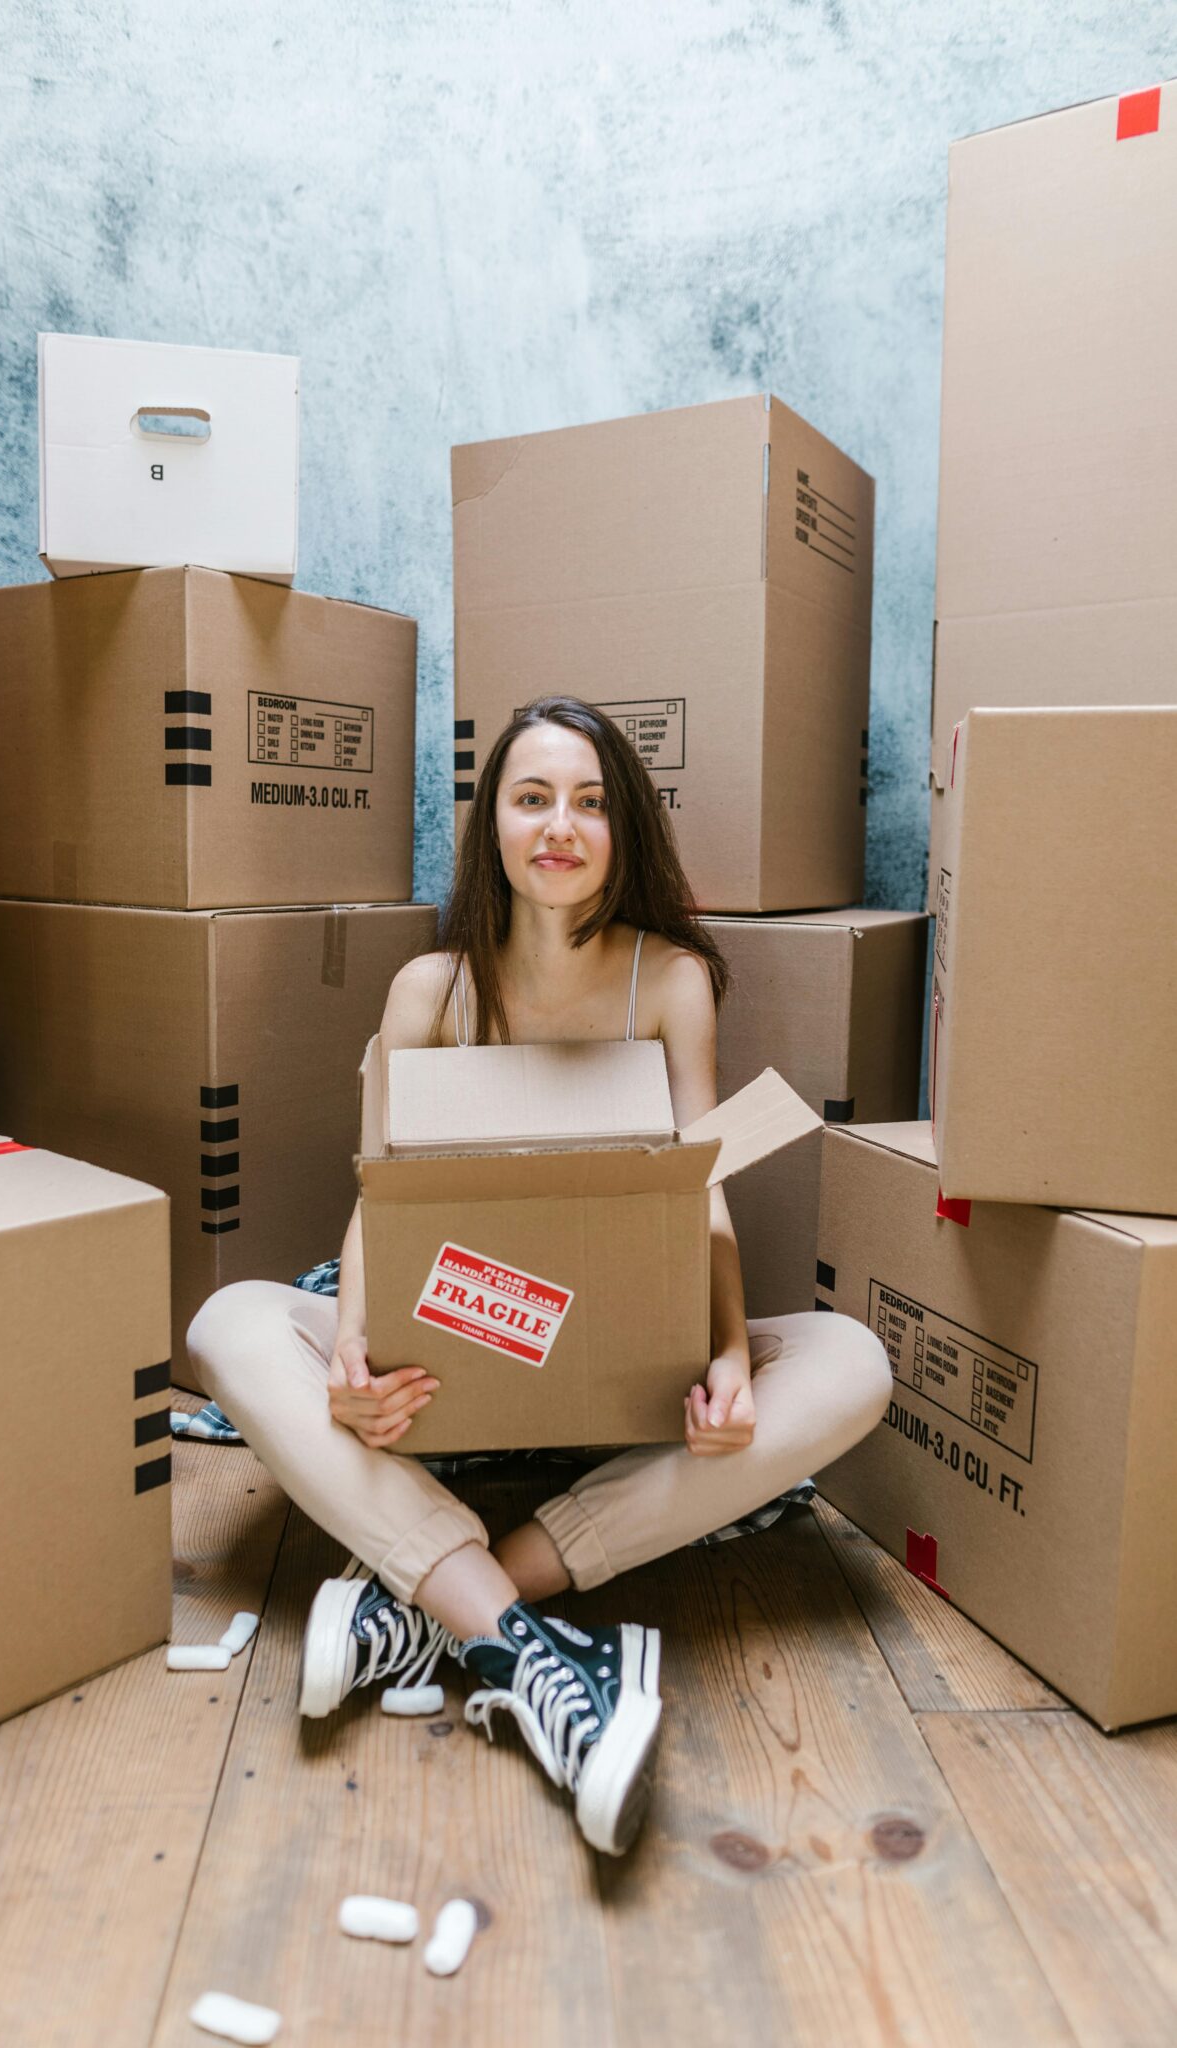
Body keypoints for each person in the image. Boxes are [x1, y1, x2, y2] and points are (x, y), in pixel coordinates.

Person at [188, 695, 892, 1856]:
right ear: (494, 827)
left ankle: (440, 1598)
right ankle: (526, 1638)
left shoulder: (668, 980)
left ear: (624, 829)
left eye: (591, 800)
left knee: (851, 1361)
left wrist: (724, 1358)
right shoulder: (432, 992)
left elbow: (698, 1187)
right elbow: (382, 1195)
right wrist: (357, 1350)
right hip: (450, 1376)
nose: (560, 823)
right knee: (233, 1318)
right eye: (532, 797)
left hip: (619, 1386)